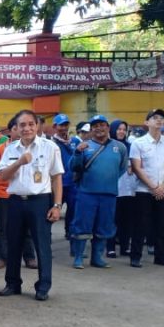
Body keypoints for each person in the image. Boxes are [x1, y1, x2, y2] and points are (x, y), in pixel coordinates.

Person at [0, 110, 63, 301]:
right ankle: (12, 283)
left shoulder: (49, 147)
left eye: (30, 124)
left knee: (42, 245)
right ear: (16, 128)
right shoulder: (11, 149)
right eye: (22, 125)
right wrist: (19, 162)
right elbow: (3, 176)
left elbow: (56, 177)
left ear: (37, 125)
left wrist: (57, 205)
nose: (27, 128)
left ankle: (43, 286)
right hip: (15, 201)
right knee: (14, 244)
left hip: (40, 201)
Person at [69, 115, 128, 269]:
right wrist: (77, 153)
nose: (99, 128)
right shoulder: (84, 146)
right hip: (86, 193)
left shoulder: (120, 147)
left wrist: (109, 179)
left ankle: (97, 258)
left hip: (109, 194)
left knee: (104, 226)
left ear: (108, 127)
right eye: (95, 126)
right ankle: (78, 258)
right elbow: (73, 167)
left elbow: (122, 168)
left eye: (102, 125)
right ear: (91, 129)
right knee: (82, 225)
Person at [128, 109, 164, 268]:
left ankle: (160, 256)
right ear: (146, 122)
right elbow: (137, 168)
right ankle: (135, 256)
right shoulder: (138, 143)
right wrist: (153, 187)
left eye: (161, 118)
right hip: (144, 190)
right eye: (155, 118)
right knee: (141, 224)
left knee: (162, 225)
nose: (159, 120)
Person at [0, 118, 38, 271]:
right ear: (10, 131)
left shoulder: (33, 149)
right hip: (4, 195)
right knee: (3, 228)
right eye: (16, 128)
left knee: (27, 227)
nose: (21, 130)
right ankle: (2, 257)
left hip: (25, 193)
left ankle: (29, 256)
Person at [107, 120, 136, 258]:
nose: (121, 132)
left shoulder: (130, 146)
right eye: (119, 129)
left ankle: (125, 246)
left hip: (129, 189)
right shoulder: (108, 145)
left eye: (124, 129)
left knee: (127, 220)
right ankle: (110, 247)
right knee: (113, 219)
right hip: (114, 188)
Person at [51, 113, 80, 242]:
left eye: (66, 125)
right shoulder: (51, 143)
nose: (63, 128)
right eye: (61, 125)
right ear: (54, 126)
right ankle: (46, 234)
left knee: (73, 210)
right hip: (57, 183)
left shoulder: (75, 142)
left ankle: (70, 232)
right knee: (52, 210)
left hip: (72, 183)